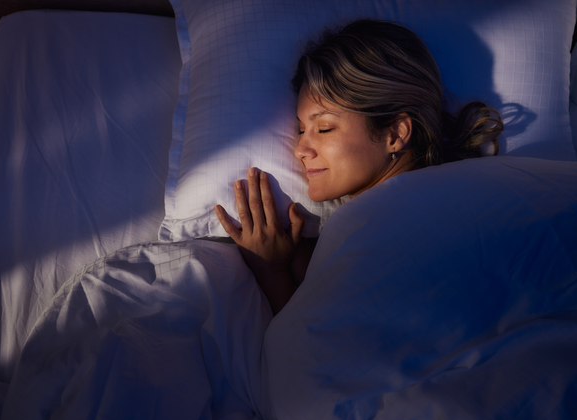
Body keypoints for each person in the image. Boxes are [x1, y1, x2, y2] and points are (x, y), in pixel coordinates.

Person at [214, 19, 504, 315]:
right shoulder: (347, 236)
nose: (300, 149)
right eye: (301, 129)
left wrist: (271, 273)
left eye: (324, 128)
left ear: (395, 133)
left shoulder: (389, 225)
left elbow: (321, 355)